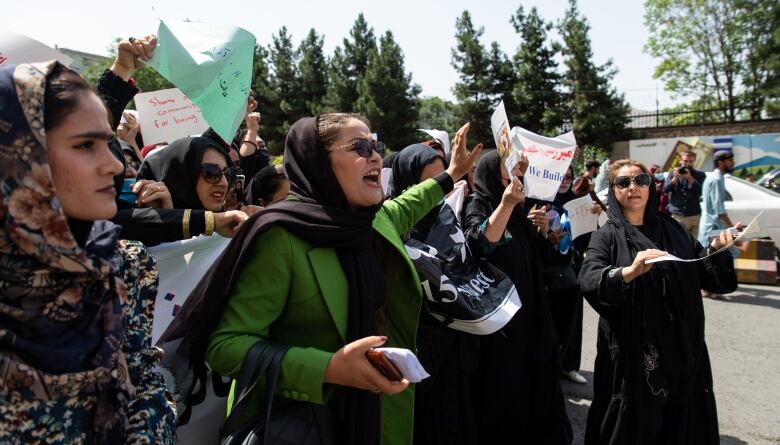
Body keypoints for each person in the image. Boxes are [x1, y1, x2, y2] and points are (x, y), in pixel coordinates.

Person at [161, 114, 479, 445]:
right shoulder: (281, 235)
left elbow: (405, 206)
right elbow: (225, 347)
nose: (374, 156)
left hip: (374, 420)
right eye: (359, 147)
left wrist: (450, 175)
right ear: (318, 162)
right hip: (299, 427)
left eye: (375, 146)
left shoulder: (372, 219)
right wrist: (328, 368)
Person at [0, 61, 176, 443]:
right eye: (85, 145)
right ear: (16, 156)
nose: (113, 165)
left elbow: (144, 380)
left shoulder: (118, 264)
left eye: (108, 142)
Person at [578, 159, 739, 445]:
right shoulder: (607, 236)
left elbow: (706, 275)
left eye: (640, 180)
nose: (633, 188)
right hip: (635, 352)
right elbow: (590, 278)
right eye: (623, 183)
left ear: (650, 186)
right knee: (637, 424)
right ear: (613, 191)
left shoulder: (673, 229)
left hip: (681, 348)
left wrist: (717, 250)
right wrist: (628, 272)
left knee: (679, 424)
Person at [463, 150, 572, 444]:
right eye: (505, 177)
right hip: (502, 321)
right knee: (505, 386)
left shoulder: (520, 211)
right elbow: (479, 244)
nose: (513, 183)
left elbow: (542, 260)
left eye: (516, 177)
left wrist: (543, 231)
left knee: (534, 381)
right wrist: (506, 204)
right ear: (489, 177)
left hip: (532, 312)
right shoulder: (479, 204)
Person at [387, 143, 482, 445]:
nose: (437, 190)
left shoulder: (445, 215)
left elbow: (467, 259)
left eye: (443, 180)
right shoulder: (390, 223)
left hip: (453, 337)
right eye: (428, 183)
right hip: (415, 342)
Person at [536, 166, 589, 385]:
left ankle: (569, 366)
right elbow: (533, 242)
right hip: (546, 272)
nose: (565, 180)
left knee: (571, 322)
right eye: (560, 176)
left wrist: (590, 222)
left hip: (570, 272)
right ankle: (546, 365)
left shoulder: (577, 204)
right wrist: (548, 239)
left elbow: (584, 242)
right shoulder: (539, 204)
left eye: (569, 176)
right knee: (548, 322)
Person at [136, 136, 249, 238]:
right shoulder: (135, 233)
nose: (224, 183)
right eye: (211, 172)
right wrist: (168, 219)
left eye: (228, 174)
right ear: (179, 176)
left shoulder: (234, 226)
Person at [663, 150, 706, 237]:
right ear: (681, 161)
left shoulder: (700, 175)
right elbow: (665, 190)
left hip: (695, 214)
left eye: (691, 161)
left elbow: (702, 191)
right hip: (679, 214)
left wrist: (690, 178)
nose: (688, 164)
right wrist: (675, 179)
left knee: (695, 244)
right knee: (680, 241)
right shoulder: (673, 173)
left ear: (694, 161)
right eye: (685, 161)